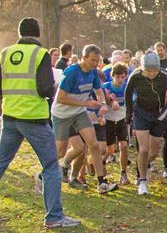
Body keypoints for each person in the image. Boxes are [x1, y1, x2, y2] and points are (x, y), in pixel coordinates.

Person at [0, 17, 80, 228]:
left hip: (10, 117)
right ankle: (54, 216)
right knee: (51, 165)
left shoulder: (5, 53)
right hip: (33, 117)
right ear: (37, 34)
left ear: (19, 33)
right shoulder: (40, 54)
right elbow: (44, 88)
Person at [50, 44, 119, 194]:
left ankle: (101, 183)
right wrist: (86, 103)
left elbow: (99, 92)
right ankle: (45, 173)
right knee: (62, 151)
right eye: (92, 60)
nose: (95, 64)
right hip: (61, 114)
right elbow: (61, 98)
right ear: (84, 58)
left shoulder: (93, 72)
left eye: (97, 61)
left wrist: (102, 104)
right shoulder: (72, 72)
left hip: (79, 113)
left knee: (93, 145)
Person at [126, 53, 167, 195]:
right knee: (143, 149)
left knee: (152, 153)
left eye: (154, 71)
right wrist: (129, 115)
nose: (151, 74)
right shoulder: (135, 76)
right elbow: (128, 94)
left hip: (158, 115)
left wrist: (164, 115)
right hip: (141, 113)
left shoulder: (165, 77)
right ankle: (142, 180)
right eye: (148, 71)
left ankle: (141, 168)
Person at [102, 63, 131, 186]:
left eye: (122, 77)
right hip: (108, 120)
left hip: (121, 120)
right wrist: (110, 99)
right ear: (112, 76)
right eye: (117, 77)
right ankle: (99, 163)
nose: (120, 80)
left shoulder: (127, 88)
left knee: (124, 146)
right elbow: (103, 102)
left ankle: (123, 173)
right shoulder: (106, 87)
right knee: (110, 150)